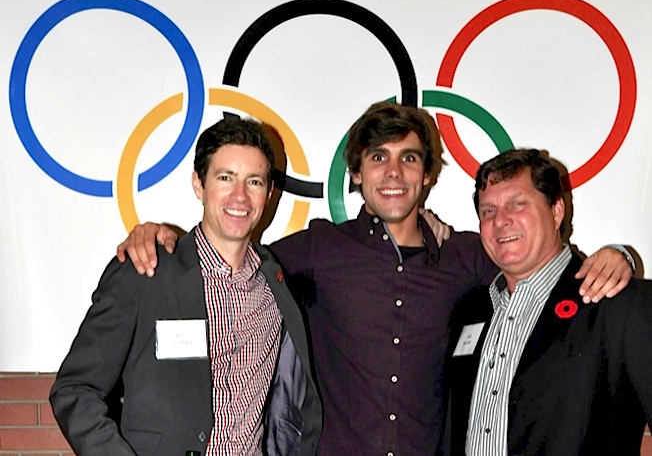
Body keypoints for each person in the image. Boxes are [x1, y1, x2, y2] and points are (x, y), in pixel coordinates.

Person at [117, 102, 632, 454]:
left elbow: (538, 255)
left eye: (408, 158)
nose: (393, 173)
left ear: (427, 174)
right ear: (356, 174)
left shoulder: (465, 256)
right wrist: (165, 235)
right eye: (377, 158)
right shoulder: (320, 248)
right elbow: (230, 257)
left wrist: (618, 254)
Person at [50, 117, 322, 456]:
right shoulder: (144, 271)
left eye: (253, 181)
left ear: (268, 194)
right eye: (225, 178)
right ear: (199, 185)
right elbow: (75, 389)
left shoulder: (277, 283)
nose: (240, 195)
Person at [448, 148, 651, 455]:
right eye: (488, 211)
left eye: (518, 204)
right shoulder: (468, 311)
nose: (501, 220)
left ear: (557, 211)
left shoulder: (619, 305)